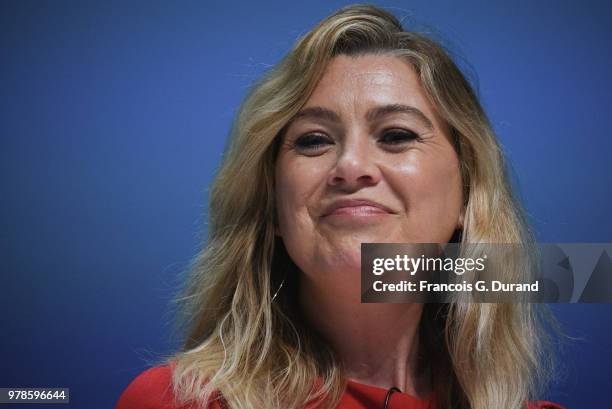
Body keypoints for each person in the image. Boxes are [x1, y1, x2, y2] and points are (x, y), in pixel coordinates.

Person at [116, 4, 564, 409]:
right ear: (271, 205)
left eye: (396, 135)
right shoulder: (181, 401)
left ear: (468, 193)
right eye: (313, 141)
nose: (350, 167)